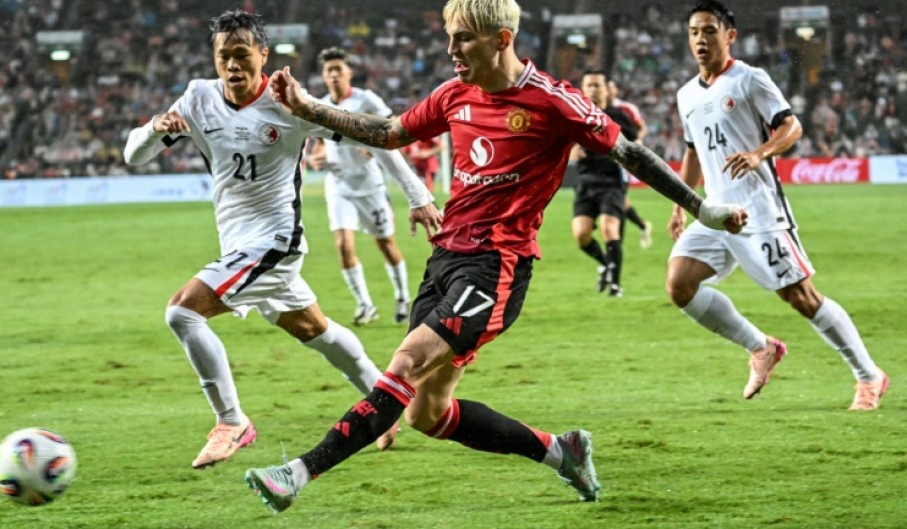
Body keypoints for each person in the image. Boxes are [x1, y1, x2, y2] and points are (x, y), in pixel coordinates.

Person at [244, 0, 746, 513]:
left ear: (501, 40)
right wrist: (311, 110)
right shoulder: (453, 94)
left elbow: (630, 153)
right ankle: (560, 452)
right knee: (425, 413)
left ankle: (297, 473)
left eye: (463, 38)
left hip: (496, 266)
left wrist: (702, 208)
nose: (450, 49)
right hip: (444, 260)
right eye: (450, 37)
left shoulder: (552, 100)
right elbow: (390, 133)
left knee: (405, 362)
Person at [122, 10, 442, 469]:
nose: (232, 66)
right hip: (237, 244)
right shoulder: (198, 97)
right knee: (314, 329)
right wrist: (155, 128)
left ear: (263, 55)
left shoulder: (290, 103)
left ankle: (231, 422)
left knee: (182, 311)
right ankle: (385, 406)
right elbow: (134, 155)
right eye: (223, 56)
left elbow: (374, 138)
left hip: (275, 242)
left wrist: (417, 195)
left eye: (241, 55)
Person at [666, 0, 889, 410]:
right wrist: (682, 203)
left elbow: (792, 127)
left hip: (759, 211)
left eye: (709, 31)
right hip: (716, 211)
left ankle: (868, 376)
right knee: (680, 284)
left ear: (729, 36)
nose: (701, 39)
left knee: (802, 297)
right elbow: (694, 151)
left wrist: (758, 152)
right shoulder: (686, 95)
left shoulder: (751, 79)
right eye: (695, 31)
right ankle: (761, 348)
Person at [308, 47, 433, 326]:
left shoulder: (367, 100)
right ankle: (365, 304)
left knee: (386, 244)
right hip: (339, 186)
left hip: (370, 186)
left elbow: (392, 128)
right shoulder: (320, 105)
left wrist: (377, 145)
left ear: (349, 72)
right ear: (324, 75)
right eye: (329, 70)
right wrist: (316, 159)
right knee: (342, 244)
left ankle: (402, 296)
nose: (334, 75)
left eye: (339, 69)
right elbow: (317, 143)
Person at [569, 70, 640, 297]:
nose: (593, 89)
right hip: (585, 181)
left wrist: (622, 153)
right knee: (581, 235)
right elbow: (561, 142)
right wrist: (570, 150)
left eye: (597, 85)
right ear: (583, 88)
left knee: (610, 230)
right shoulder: (574, 116)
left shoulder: (618, 116)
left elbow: (635, 141)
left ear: (606, 89)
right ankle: (605, 264)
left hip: (611, 181)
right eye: (589, 85)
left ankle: (616, 286)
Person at [608, 79, 653, 249]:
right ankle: (642, 226)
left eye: (611, 87)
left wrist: (638, 140)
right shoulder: (594, 106)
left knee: (618, 203)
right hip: (601, 161)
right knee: (620, 202)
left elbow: (642, 127)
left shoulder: (626, 109)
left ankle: (615, 249)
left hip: (620, 159)